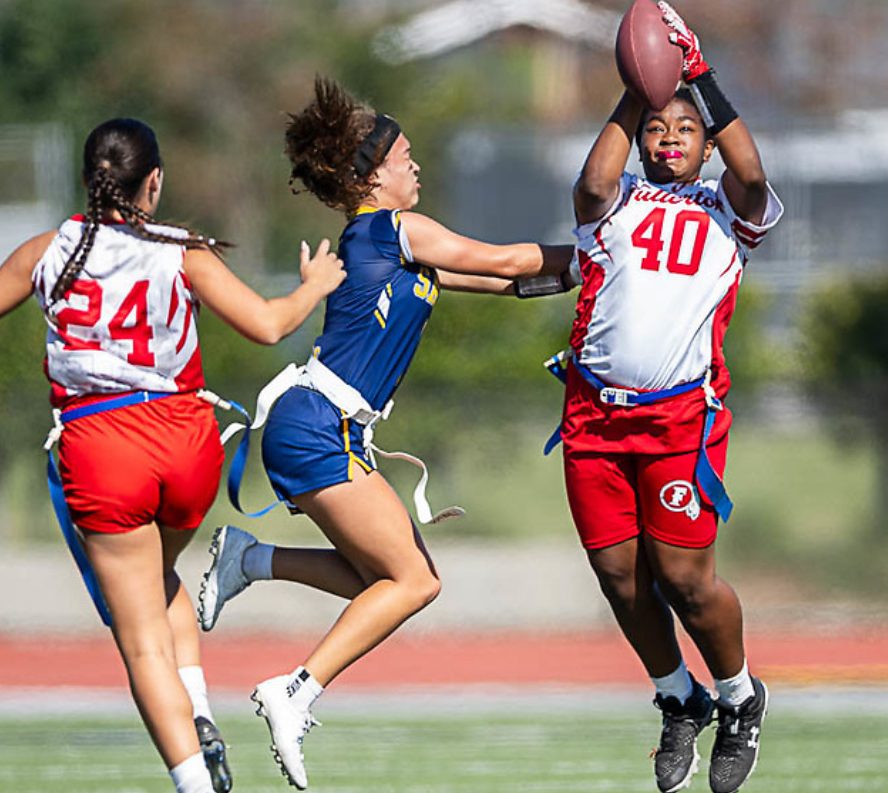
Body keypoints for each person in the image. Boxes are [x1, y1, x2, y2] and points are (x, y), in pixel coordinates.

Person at [0, 118, 345, 793]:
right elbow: (270, 323)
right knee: (158, 580)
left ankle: (192, 780)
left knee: (140, 637)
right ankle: (202, 712)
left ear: (88, 181)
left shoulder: (48, 249)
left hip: (102, 443)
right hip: (187, 440)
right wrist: (315, 283)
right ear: (153, 182)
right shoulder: (183, 248)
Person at [196, 76, 574, 790]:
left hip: (322, 425)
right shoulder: (391, 229)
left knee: (392, 579)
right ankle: (295, 689)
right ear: (373, 176)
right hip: (316, 423)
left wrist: (588, 270)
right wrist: (597, 244)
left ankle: (252, 560)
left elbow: (507, 284)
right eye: (406, 156)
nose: (417, 166)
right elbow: (502, 259)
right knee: (414, 580)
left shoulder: (395, 242)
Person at [550, 4, 784, 792]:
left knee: (684, 579)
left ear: (707, 141)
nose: (669, 138)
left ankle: (739, 694)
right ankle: (676, 696)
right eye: (657, 128)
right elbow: (591, 180)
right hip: (592, 415)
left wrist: (696, 74)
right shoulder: (613, 205)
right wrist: (637, 88)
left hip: (678, 418)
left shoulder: (726, 207)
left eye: (684, 130)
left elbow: (752, 177)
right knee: (619, 577)